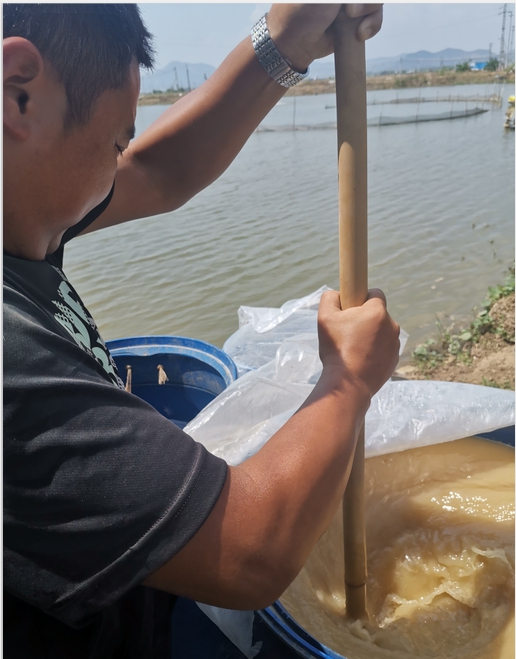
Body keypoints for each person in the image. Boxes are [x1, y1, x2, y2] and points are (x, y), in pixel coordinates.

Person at [3, 4, 399, 658]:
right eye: (115, 142)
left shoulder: (18, 209)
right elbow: (248, 552)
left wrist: (284, 41)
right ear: (19, 93)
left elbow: (165, 170)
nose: (120, 163)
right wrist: (349, 380)